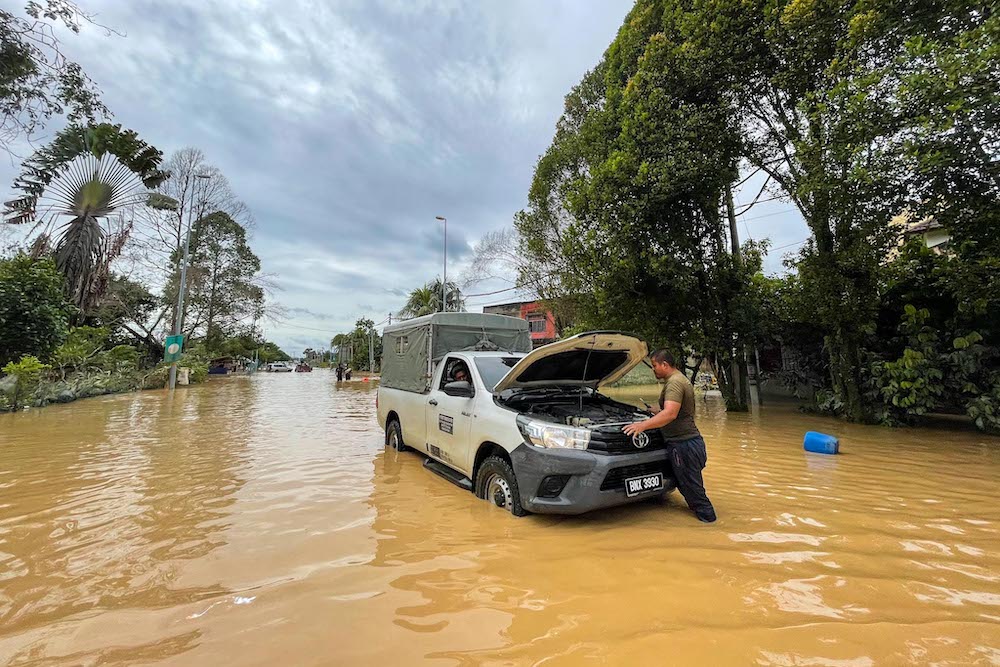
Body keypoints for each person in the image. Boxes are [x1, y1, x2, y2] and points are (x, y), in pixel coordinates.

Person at [623, 349, 717, 523]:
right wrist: (655, 411)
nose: (653, 370)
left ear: (665, 364)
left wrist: (641, 425)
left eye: (654, 366)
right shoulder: (680, 379)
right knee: (687, 487)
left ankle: (711, 527)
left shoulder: (674, 383)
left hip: (684, 445)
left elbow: (670, 414)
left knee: (695, 494)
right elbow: (673, 410)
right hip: (688, 443)